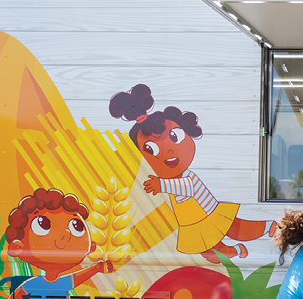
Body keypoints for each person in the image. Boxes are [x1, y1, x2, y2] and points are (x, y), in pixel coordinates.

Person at [110, 83, 275, 262]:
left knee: (234, 228)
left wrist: (161, 184)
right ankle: (235, 250)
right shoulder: (167, 176)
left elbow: (187, 188)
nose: (169, 152)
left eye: (174, 137)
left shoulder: (187, 177)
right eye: (151, 150)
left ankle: (267, 227)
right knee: (207, 250)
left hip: (207, 211)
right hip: (191, 221)